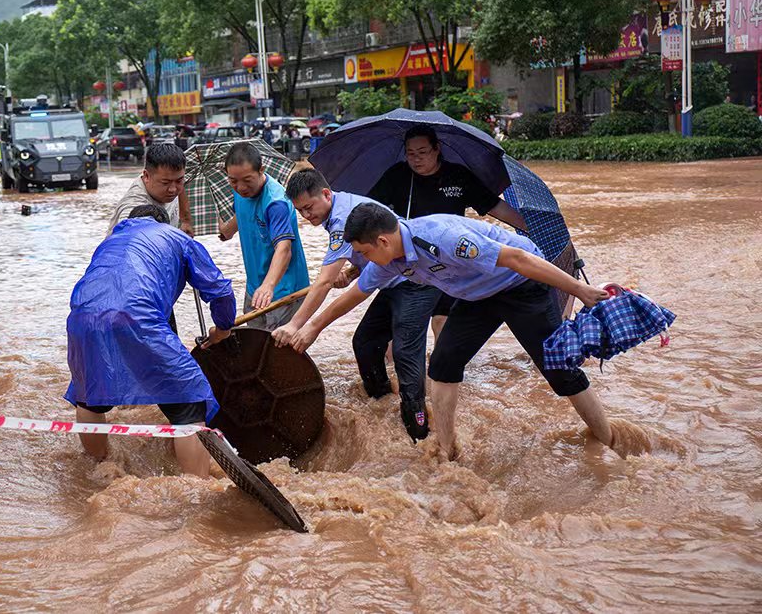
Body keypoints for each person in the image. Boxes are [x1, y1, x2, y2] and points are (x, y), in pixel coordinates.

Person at [289, 203, 616, 461]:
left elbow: (518, 258)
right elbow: (354, 295)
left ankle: (609, 440)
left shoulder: (443, 238)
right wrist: (311, 329)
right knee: (443, 365)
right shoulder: (387, 260)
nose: (361, 260)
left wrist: (579, 289)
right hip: (477, 297)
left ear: (383, 241)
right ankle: (447, 449)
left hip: (520, 286)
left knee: (560, 371)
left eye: (363, 252)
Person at [64, 204, 236, 477]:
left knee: (89, 396)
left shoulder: (109, 242)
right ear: (164, 223)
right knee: (190, 399)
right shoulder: (177, 238)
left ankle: (100, 468)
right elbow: (220, 291)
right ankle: (198, 490)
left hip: (81, 319)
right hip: (137, 315)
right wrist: (224, 328)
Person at [273, 170, 436, 442]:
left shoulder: (340, 220)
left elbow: (323, 283)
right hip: (390, 280)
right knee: (365, 342)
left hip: (415, 281)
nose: (306, 216)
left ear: (326, 194)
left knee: (406, 352)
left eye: (309, 208)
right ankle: (382, 404)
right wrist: (354, 269)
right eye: (300, 211)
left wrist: (295, 325)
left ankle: (420, 431)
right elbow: (368, 250)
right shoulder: (340, 205)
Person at [368, 125, 527, 341]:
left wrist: (529, 226)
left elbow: (493, 206)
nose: (416, 160)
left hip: (450, 260)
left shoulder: (458, 176)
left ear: (437, 149)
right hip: (409, 260)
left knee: (441, 319)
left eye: (422, 153)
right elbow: (369, 210)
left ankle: (443, 369)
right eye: (411, 154)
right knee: (398, 327)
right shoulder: (397, 175)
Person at [217, 142, 309, 330]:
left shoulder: (276, 203)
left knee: (279, 353)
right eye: (233, 181)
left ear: (261, 170)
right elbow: (244, 214)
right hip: (255, 287)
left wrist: (268, 285)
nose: (240, 187)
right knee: (254, 345)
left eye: (247, 180)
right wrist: (227, 230)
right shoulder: (240, 192)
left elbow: (284, 249)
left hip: (284, 290)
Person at [106, 143, 195, 237]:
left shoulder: (169, 184)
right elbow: (127, 238)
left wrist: (186, 220)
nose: (173, 190)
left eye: (179, 181)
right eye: (165, 183)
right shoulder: (133, 206)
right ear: (146, 176)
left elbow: (180, 188)